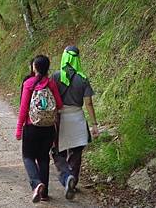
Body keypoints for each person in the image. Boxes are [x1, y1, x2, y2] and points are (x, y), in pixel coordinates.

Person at [51, 45, 98, 200]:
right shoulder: (83, 79)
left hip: (60, 119)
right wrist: (94, 124)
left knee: (58, 152)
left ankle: (66, 176)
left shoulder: (56, 76)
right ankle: (73, 178)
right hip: (77, 118)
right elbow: (88, 103)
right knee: (77, 152)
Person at [16, 55, 63, 203]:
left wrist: (19, 129)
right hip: (48, 128)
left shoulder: (29, 83)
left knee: (28, 157)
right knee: (43, 158)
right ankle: (44, 194)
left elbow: (24, 108)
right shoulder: (51, 83)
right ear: (47, 68)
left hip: (32, 127)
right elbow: (59, 105)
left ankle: (36, 184)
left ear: (34, 67)